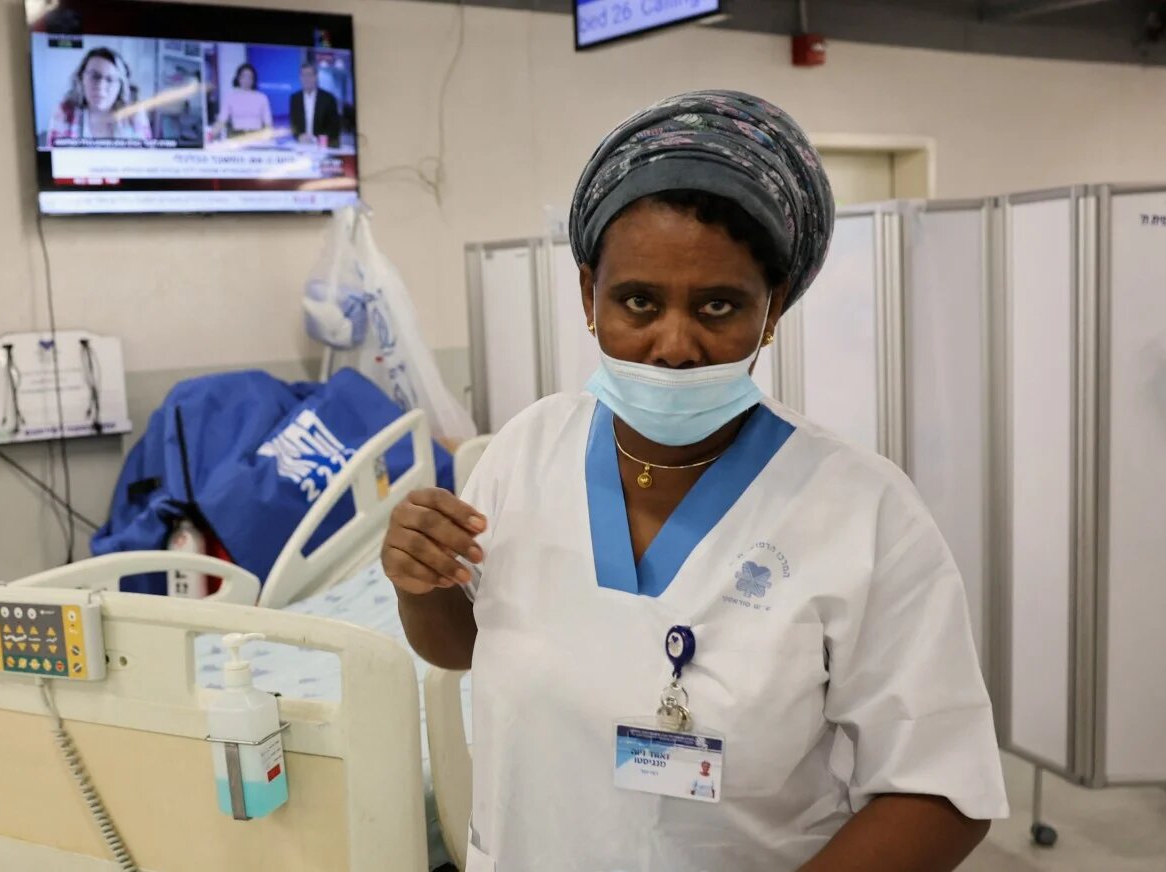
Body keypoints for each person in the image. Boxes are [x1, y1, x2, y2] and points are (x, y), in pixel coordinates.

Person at [384, 91, 1008, 871]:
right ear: (588, 296)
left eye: (719, 306)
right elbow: (461, 647)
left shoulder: (862, 511)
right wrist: (420, 583)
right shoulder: (527, 450)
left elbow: (942, 792)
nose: (673, 345)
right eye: (637, 301)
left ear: (772, 310)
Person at [46, 46, 152, 146]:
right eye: (94, 76)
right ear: (81, 79)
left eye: (110, 79)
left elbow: (146, 158)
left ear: (121, 86)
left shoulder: (134, 114)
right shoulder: (64, 112)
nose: (101, 86)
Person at [211, 63, 273, 142]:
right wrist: (210, 135)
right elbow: (222, 120)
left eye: (250, 77)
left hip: (257, 137)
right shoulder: (230, 97)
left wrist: (268, 139)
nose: (246, 80)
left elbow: (268, 123)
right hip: (236, 137)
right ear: (238, 78)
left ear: (254, 80)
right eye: (244, 76)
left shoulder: (262, 97)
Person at [288, 62, 342, 147]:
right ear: (300, 78)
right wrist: (299, 136)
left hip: (323, 146)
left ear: (316, 77)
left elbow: (334, 128)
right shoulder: (295, 98)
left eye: (309, 75)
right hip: (301, 146)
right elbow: (293, 124)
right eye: (303, 75)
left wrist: (317, 140)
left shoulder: (328, 98)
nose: (306, 78)